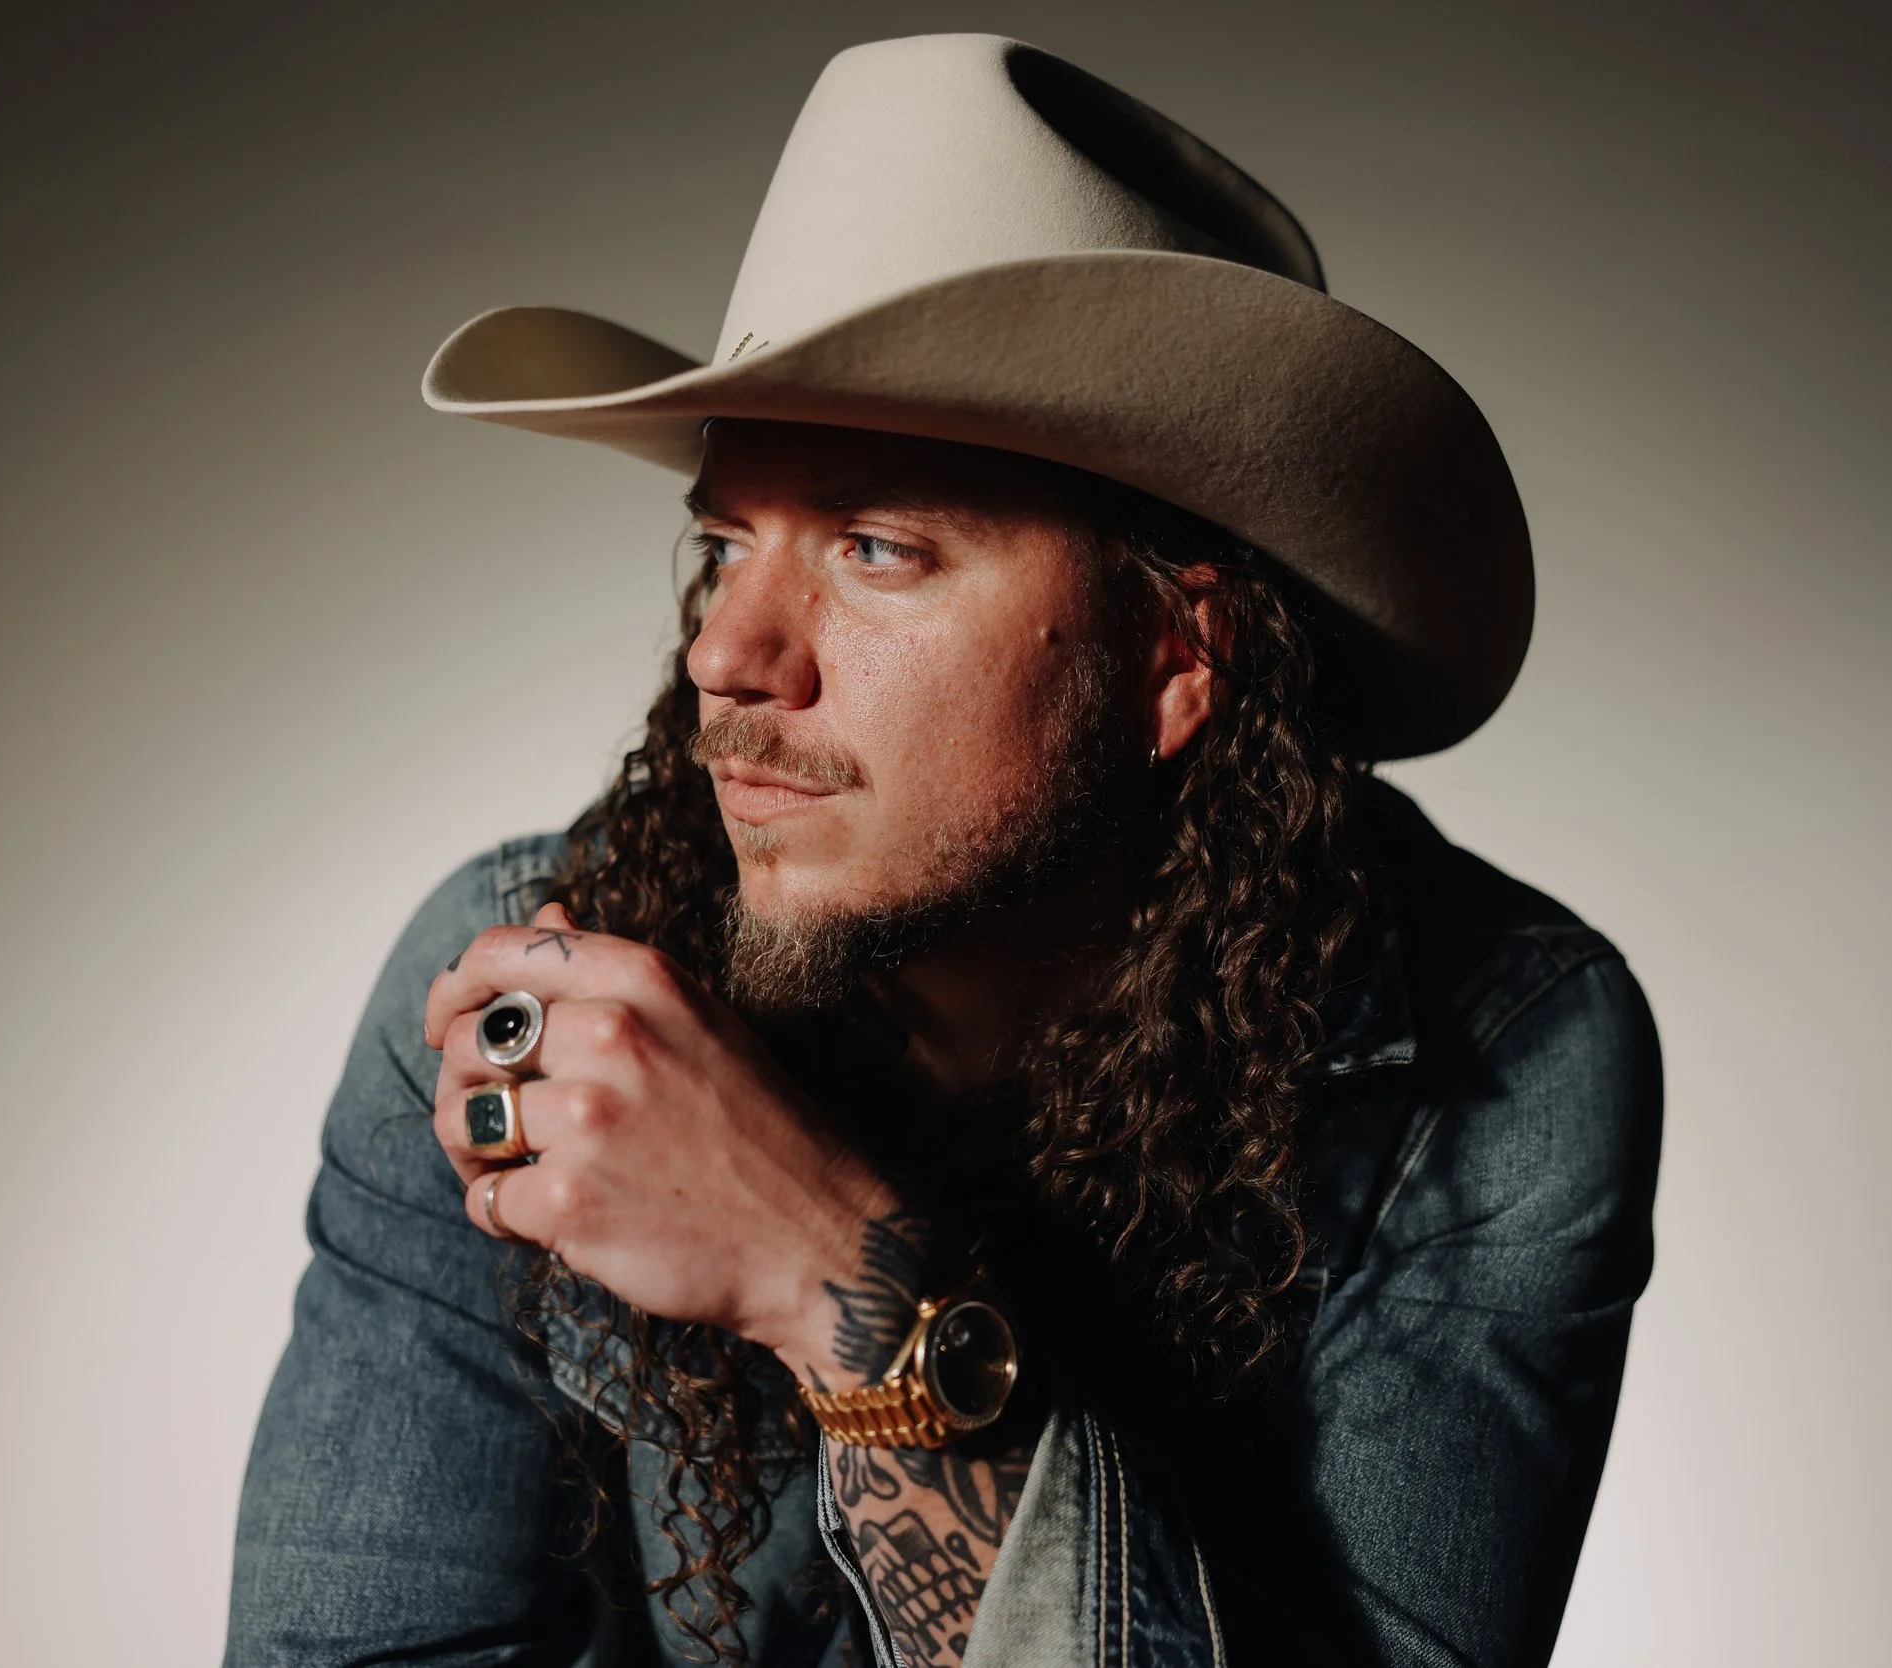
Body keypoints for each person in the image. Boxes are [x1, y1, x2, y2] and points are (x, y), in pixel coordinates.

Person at [226, 33, 1661, 1668]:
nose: (728, 656)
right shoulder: (518, 1002)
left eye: (875, 545)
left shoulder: (1499, 1054)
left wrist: (826, 1263)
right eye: (726, 543)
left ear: (1174, 658)